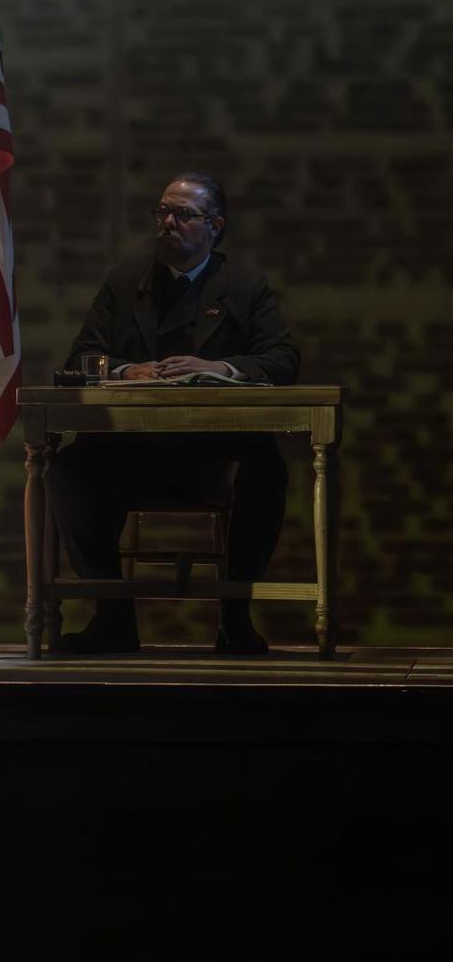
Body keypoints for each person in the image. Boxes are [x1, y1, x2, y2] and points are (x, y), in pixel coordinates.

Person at [51, 172, 300, 654]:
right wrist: (126, 372)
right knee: (66, 468)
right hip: (132, 448)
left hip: (215, 450)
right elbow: (78, 360)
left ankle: (235, 617)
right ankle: (112, 615)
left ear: (215, 226)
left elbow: (283, 360)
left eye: (183, 215)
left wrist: (218, 367)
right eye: (162, 212)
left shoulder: (245, 286)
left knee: (267, 467)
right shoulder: (126, 282)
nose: (168, 223)